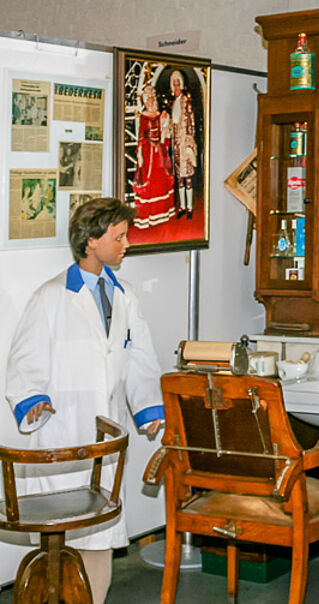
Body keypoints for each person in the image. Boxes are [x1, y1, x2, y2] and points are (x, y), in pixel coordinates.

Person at [5, 197, 164, 604]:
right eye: (119, 237)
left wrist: (148, 411)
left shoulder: (124, 295)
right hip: (63, 433)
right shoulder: (50, 297)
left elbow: (140, 358)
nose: (126, 244)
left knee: (101, 538)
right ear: (91, 241)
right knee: (63, 537)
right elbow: (24, 361)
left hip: (106, 439)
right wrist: (32, 401)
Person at [133, 84, 175, 229]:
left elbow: (166, 135)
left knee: (161, 181)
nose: (150, 100)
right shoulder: (142, 117)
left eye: (152, 97)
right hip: (148, 153)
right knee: (149, 181)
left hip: (160, 154)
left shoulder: (160, 114)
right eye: (147, 98)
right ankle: (148, 217)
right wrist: (143, 151)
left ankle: (162, 213)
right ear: (144, 100)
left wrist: (165, 123)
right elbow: (141, 136)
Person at [167, 70, 198, 219]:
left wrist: (190, 141)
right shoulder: (173, 103)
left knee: (188, 177)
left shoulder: (186, 101)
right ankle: (182, 207)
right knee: (179, 178)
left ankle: (190, 208)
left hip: (185, 142)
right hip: (176, 144)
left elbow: (191, 122)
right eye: (174, 85)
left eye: (178, 84)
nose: (177, 87)